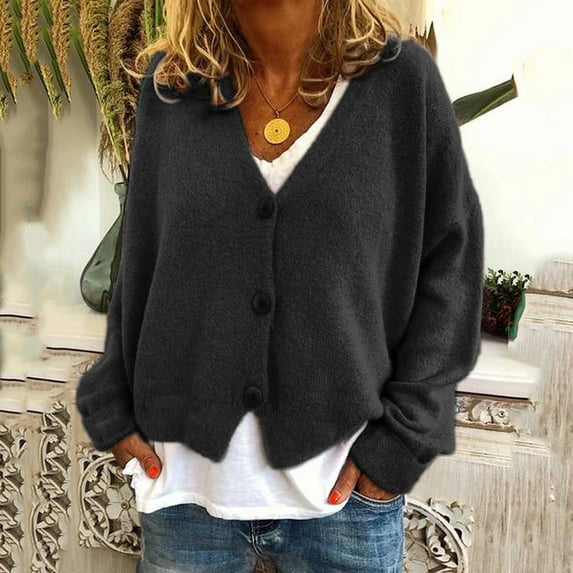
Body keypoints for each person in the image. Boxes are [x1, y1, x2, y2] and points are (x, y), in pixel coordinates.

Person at [76, 0, 485, 571]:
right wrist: (113, 405)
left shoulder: (401, 84)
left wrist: (403, 441)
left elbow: (450, 265)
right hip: (184, 496)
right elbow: (143, 258)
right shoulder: (171, 88)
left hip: (344, 506)